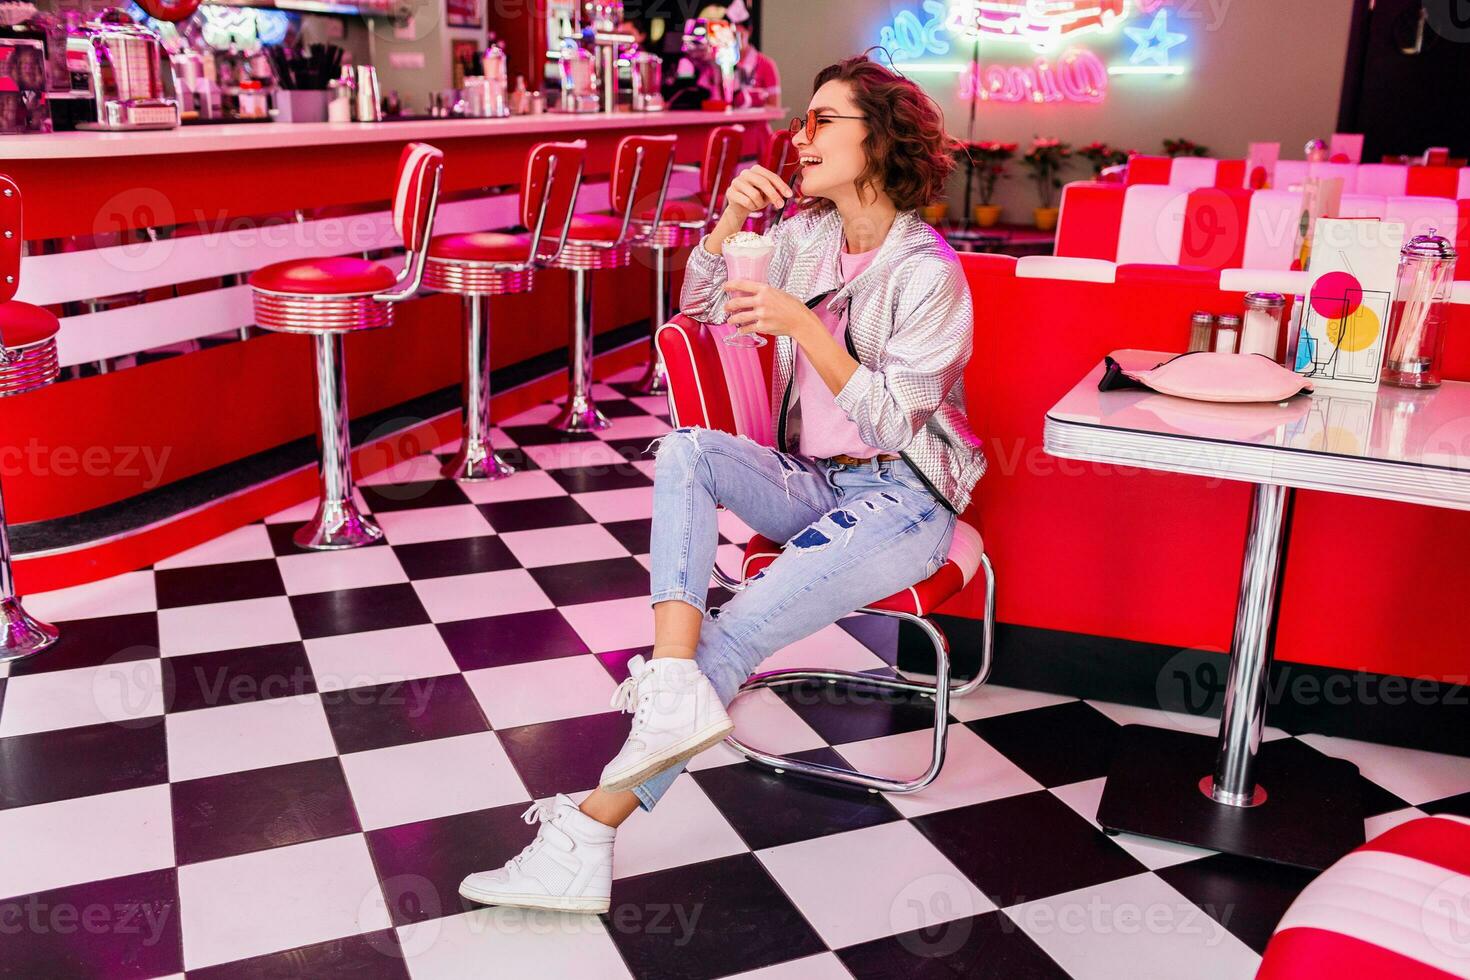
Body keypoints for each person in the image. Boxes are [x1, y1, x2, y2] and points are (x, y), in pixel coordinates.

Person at [458, 54, 985, 914]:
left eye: (823, 122)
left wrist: (804, 329)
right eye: (802, 123)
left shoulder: (929, 272)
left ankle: (586, 834)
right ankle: (669, 684)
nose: (800, 138)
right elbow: (700, 310)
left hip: (903, 496)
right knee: (686, 453)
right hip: (816, 479)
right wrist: (722, 227)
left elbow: (896, 423)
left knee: (729, 639)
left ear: (878, 138)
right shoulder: (807, 234)